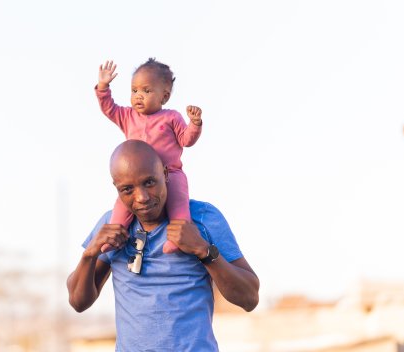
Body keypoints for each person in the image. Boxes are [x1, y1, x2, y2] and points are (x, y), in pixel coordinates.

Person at [67, 140, 260, 351]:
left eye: (149, 182)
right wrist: (90, 254)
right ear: (117, 188)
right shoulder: (111, 225)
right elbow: (78, 302)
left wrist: (204, 251)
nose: (142, 197)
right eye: (127, 189)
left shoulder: (203, 217)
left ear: (166, 174)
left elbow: (249, 298)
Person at [96, 59, 203, 254]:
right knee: (121, 208)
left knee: (179, 207)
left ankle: (177, 240)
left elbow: (186, 140)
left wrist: (194, 124)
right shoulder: (127, 116)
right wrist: (103, 87)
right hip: (137, 179)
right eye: (134, 91)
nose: (138, 96)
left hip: (171, 173)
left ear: (164, 96)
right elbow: (109, 108)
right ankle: (114, 237)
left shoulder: (171, 117)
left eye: (146, 91)